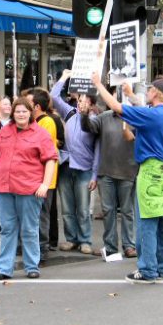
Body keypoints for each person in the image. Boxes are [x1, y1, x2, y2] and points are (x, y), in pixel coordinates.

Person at [92, 73, 163, 283]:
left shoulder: (153, 115)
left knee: (147, 222)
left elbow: (117, 107)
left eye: (148, 90)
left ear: (155, 93)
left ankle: (147, 270)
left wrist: (98, 85)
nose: (146, 92)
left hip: (150, 172)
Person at [0, 97, 57, 280]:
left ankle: (32, 265)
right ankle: (4, 269)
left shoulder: (40, 133)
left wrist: (45, 185)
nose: (21, 114)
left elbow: (51, 160)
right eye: (17, 111)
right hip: (3, 187)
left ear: (30, 113)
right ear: (13, 113)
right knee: (7, 229)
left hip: (29, 189)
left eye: (24, 111)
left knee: (29, 229)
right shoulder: (5, 131)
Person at [80, 86, 138, 258]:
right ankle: (111, 246)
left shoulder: (135, 117)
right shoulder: (104, 117)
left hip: (129, 171)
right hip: (106, 173)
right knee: (108, 210)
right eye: (114, 96)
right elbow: (88, 127)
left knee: (127, 211)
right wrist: (84, 114)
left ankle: (129, 245)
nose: (116, 99)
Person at [51, 69, 100, 255]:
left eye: (86, 101)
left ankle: (85, 240)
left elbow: (98, 151)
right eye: (80, 100)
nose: (81, 104)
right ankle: (71, 238)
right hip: (66, 165)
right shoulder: (69, 113)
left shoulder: (95, 121)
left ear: (92, 105)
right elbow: (54, 96)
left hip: (84, 169)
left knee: (83, 208)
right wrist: (64, 77)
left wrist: (95, 174)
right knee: (67, 207)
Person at [25, 88, 59, 263]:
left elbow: (43, 149)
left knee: (42, 213)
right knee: (33, 214)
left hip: (45, 178)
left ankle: (43, 247)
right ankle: (33, 246)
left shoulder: (46, 122)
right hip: (34, 177)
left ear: (36, 106)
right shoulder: (36, 121)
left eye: (29, 104)